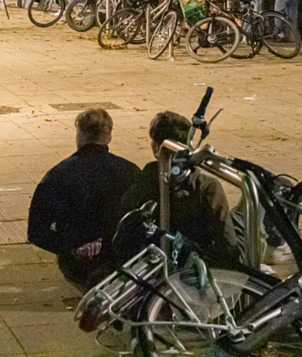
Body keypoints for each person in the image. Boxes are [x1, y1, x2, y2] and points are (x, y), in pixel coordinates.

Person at [28, 109, 140, 286]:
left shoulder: (58, 175)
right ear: (108, 136)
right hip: (120, 257)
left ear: (79, 135)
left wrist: (73, 249)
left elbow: (36, 231)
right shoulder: (130, 171)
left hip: (78, 261)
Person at [121, 112, 239, 264]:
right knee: (244, 212)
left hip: (158, 258)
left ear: (157, 147)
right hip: (197, 262)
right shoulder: (207, 187)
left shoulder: (146, 177)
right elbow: (228, 244)